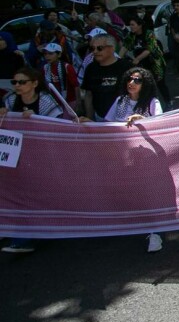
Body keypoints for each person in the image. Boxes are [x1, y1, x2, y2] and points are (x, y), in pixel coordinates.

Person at [0, 67, 71, 254]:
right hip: (17, 156)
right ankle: (19, 234)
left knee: (39, 193)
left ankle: (33, 233)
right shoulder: (9, 100)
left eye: (22, 82)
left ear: (34, 83)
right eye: (14, 82)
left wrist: (35, 120)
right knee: (21, 194)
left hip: (44, 156)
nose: (17, 86)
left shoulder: (46, 101)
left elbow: (58, 127)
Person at [80, 34, 132, 120]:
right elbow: (88, 95)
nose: (95, 51)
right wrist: (90, 118)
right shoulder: (90, 68)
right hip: (99, 118)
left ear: (112, 49)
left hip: (124, 119)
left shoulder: (127, 67)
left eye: (99, 48)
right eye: (92, 48)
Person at [123, 16, 170, 108]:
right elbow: (124, 47)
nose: (131, 27)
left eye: (133, 25)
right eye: (130, 25)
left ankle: (168, 102)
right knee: (145, 85)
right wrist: (118, 58)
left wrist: (137, 59)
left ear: (139, 25)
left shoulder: (149, 34)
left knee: (160, 83)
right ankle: (150, 106)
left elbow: (149, 50)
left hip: (155, 63)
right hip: (142, 64)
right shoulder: (131, 35)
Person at [38, 42, 79, 106]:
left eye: (50, 53)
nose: (47, 56)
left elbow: (76, 86)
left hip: (69, 102)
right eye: (45, 54)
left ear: (59, 54)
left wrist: (78, 103)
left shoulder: (67, 67)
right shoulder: (45, 68)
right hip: (53, 102)